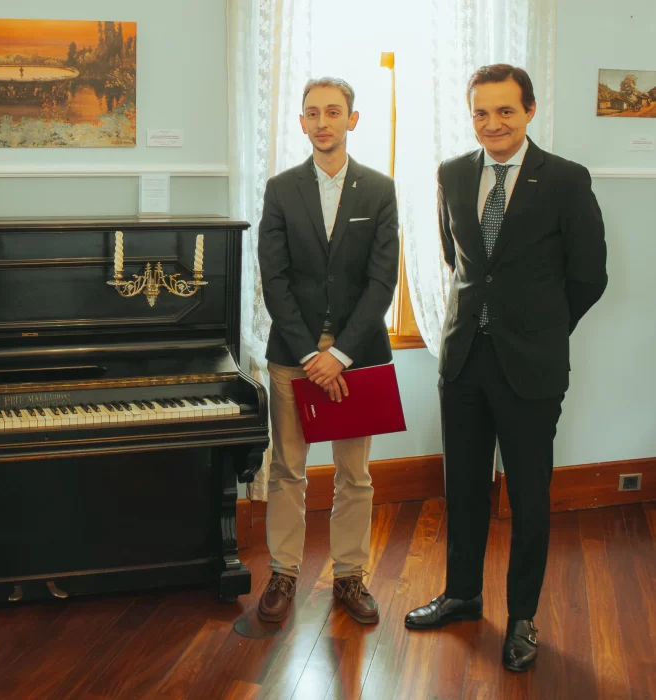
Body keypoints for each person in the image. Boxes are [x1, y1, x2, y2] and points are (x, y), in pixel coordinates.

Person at [404, 65, 607, 672]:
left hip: (532, 366)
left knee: (527, 496)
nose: (492, 123)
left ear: (531, 111)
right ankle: (463, 595)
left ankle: (522, 618)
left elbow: (589, 275)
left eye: (505, 112)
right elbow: (457, 259)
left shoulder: (566, 180)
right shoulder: (451, 173)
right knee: (462, 487)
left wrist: (540, 329)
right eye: (481, 112)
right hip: (464, 360)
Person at [256, 77, 400, 624]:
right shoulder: (280, 188)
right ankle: (284, 573)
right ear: (301, 123)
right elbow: (276, 280)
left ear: (352, 120)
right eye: (312, 113)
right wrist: (308, 354)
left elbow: (381, 282)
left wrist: (337, 356)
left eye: (333, 112)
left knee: (354, 474)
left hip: (355, 355)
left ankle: (348, 578)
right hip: (291, 352)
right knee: (288, 470)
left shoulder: (380, 189)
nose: (322, 122)